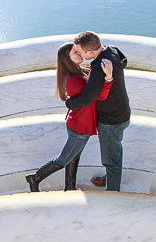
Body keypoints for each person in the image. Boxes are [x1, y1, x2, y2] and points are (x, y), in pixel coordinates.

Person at [26, 42, 113, 192]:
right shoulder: (74, 80)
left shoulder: (81, 70)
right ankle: (35, 178)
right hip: (79, 127)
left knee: (74, 156)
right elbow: (98, 96)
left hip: (78, 123)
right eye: (75, 52)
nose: (80, 54)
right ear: (67, 59)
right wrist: (108, 79)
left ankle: (70, 187)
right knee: (63, 159)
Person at [65, 31, 130, 191]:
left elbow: (88, 97)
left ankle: (112, 191)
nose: (78, 54)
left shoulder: (99, 67)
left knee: (111, 160)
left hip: (110, 121)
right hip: (122, 113)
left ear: (90, 52)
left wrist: (69, 103)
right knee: (116, 151)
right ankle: (109, 179)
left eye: (79, 52)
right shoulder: (112, 51)